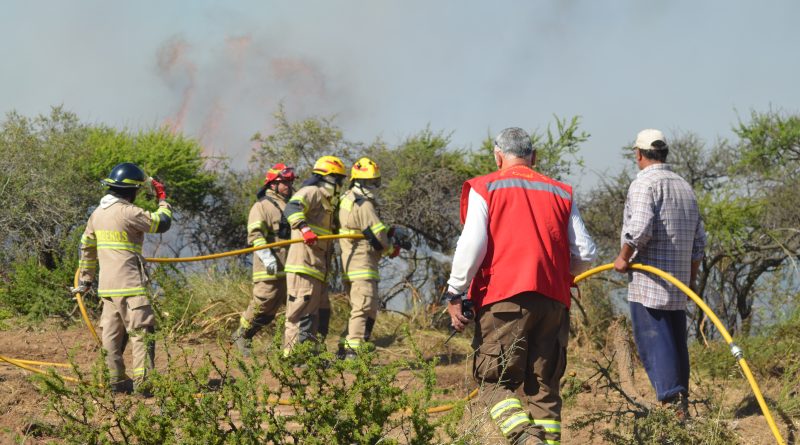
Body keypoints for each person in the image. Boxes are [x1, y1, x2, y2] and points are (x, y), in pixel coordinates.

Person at [446, 128, 596, 445]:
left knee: (493, 380)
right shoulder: (560, 191)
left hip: (503, 301)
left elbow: (471, 244)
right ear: (534, 157)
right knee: (544, 387)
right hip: (553, 303)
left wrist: (455, 292)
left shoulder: (485, 187)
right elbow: (585, 252)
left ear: (498, 156)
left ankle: (525, 439)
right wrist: (562, 277)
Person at [613, 129, 706, 415]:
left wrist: (623, 256)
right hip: (678, 283)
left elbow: (639, 227)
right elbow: (699, 241)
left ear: (638, 154)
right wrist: (690, 280)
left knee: (655, 343)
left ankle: (672, 409)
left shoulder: (644, 184)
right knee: (676, 344)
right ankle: (681, 407)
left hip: (650, 283)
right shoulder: (683, 186)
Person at [73, 162, 173, 395]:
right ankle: (143, 384)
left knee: (112, 337)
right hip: (131, 286)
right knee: (142, 333)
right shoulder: (128, 212)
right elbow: (162, 223)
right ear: (131, 190)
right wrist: (163, 198)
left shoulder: (96, 215)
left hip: (107, 289)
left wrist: (86, 280)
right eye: (137, 191)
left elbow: (86, 248)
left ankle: (116, 382)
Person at [337, 157, 401, 358]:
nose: (373, 186)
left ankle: (350, 346)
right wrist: (391, 248)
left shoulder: (346, 200)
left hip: (351, 263)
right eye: (370, 182)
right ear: (360, 182)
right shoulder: (363, 204)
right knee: (363, 307)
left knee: (366, 308)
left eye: (374, 182)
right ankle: (352, 354)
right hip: (361, 264)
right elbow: (378, 234)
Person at [282, 155, 347, 354]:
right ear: (329, 178)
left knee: (320, 313)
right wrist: (304, 229)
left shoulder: (327, 201)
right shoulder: (311, 191)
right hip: (303, 265)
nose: (340, 185)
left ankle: (313, 355)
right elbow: (292, 207)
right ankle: (294, 358)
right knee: (301, 314)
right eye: (339, 180)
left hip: (318, 268)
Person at [231, 163, 296, 357]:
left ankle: (288, 347)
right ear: (273, 184)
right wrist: (268, 258)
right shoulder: (262, 206)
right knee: (263, 302)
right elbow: (255, 235)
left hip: (289, 265)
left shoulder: (291, 206)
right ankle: (242, 335)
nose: (289, 186)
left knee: (280, 309)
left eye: (290, 182)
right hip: (268, 266)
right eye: (285, 182)